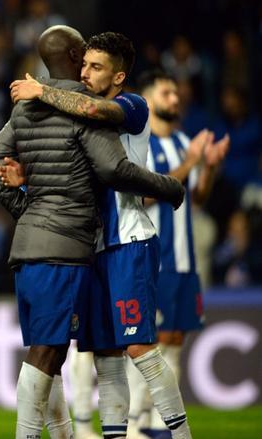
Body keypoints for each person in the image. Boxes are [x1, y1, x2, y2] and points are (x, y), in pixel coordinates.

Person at [0, 25, 185, 439]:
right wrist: (27, 186)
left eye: (97, 67)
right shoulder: (73, 106)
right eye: (86, 64)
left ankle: (181, 435)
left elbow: (96, 119)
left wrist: (169, 187)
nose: (88, 74)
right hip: (87, 245)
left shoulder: (131, 105)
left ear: (118, 76)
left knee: (138, 347)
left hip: (126, 240)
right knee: (104, 356)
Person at [136, 69, 229, 437]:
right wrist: (192, 163)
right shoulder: (137, 143)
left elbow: (198, 198)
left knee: (175, 338)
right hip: (154, 257)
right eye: (166, 93)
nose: (175, 99)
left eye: (176, 93)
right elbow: (141, 195)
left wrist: (210, 168)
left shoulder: (183, 141)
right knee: (148, 345)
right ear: (147, 99)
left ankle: (157, 425)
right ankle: (136, 424)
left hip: (185, 257)